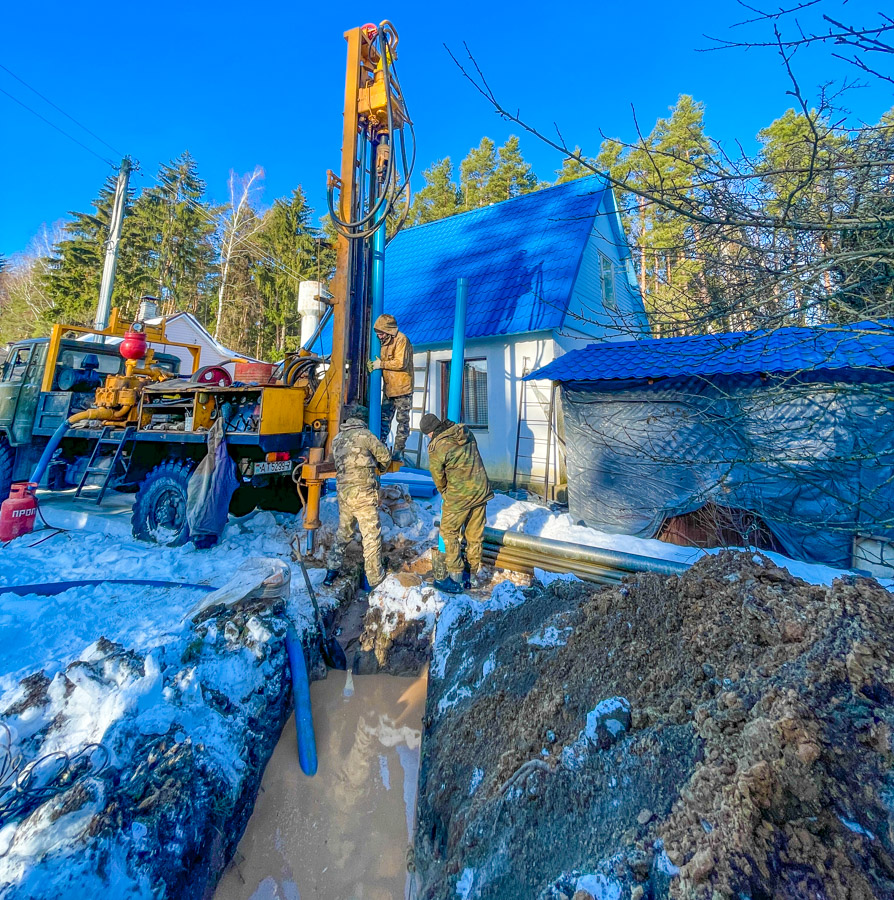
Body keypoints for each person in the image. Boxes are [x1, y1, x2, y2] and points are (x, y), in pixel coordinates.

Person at [420, 413, 494, 594]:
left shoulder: (437, 447)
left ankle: (455, 577)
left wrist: (446, 493)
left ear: (429, 433)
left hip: (459, 494)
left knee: (449, 532)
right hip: (481, 489)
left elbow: (438, 478)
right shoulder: (464, 431)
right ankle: (474, 575)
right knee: (474, 534)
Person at [324, 404, 391, 589]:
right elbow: (385, 456)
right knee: (371, 537)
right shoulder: (366, 436)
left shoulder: (337, 439)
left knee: (344, 533)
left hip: (344, 494)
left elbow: (333, 462)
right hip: (363, 494)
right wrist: (380, 469)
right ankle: (375, 581)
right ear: (362, 419)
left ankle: (331, 571)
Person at [367, 314, 414, 461]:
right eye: (377, 333)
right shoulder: (382, 342)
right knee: (384, 419)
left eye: (381, 333)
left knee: (402, 421)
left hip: (402, 389)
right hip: (388, 389)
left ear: (389, 331)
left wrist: (380, 364)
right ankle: (380, 447)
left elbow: (400, 363)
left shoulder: (401, 339)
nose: (379, 336)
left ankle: (398, 451)